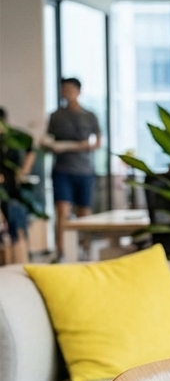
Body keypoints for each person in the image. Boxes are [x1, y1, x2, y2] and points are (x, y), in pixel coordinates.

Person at [42, 77, 102, 261]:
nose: (66, 92)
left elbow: (98, 143)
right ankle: (61, 251)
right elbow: (48, 140)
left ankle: (86, 249)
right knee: (62, 211)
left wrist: (76, 146)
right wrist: (52, 145)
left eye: (69, 89)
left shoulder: (90, 115)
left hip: (84, 170)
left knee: (84, 212)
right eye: (63, 89)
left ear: (78, 91)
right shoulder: (55, 116)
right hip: (62, 169)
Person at [0, 108, 37, 265]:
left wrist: (23, 171)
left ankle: (20, 258)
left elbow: (31, 149)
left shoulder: (13, 137)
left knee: (16, 222)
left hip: (12, 186)